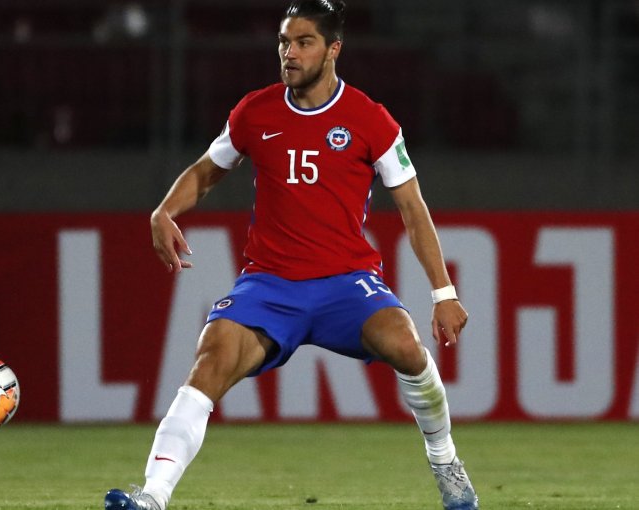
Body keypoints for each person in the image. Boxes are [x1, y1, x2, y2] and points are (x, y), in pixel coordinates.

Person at [104, 1, 479, 509]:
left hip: (346, 281)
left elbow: (413, 210)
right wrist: (163, 211)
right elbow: (205, 171)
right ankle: (152, 498)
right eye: (284, 41)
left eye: (304, 42)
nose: (290, 52)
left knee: (409, 348)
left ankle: (445, 462)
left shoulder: (371, 120)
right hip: (270, 284)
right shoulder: (256, 111)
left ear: (333, 50)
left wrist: (444, 293)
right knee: (210, 360)